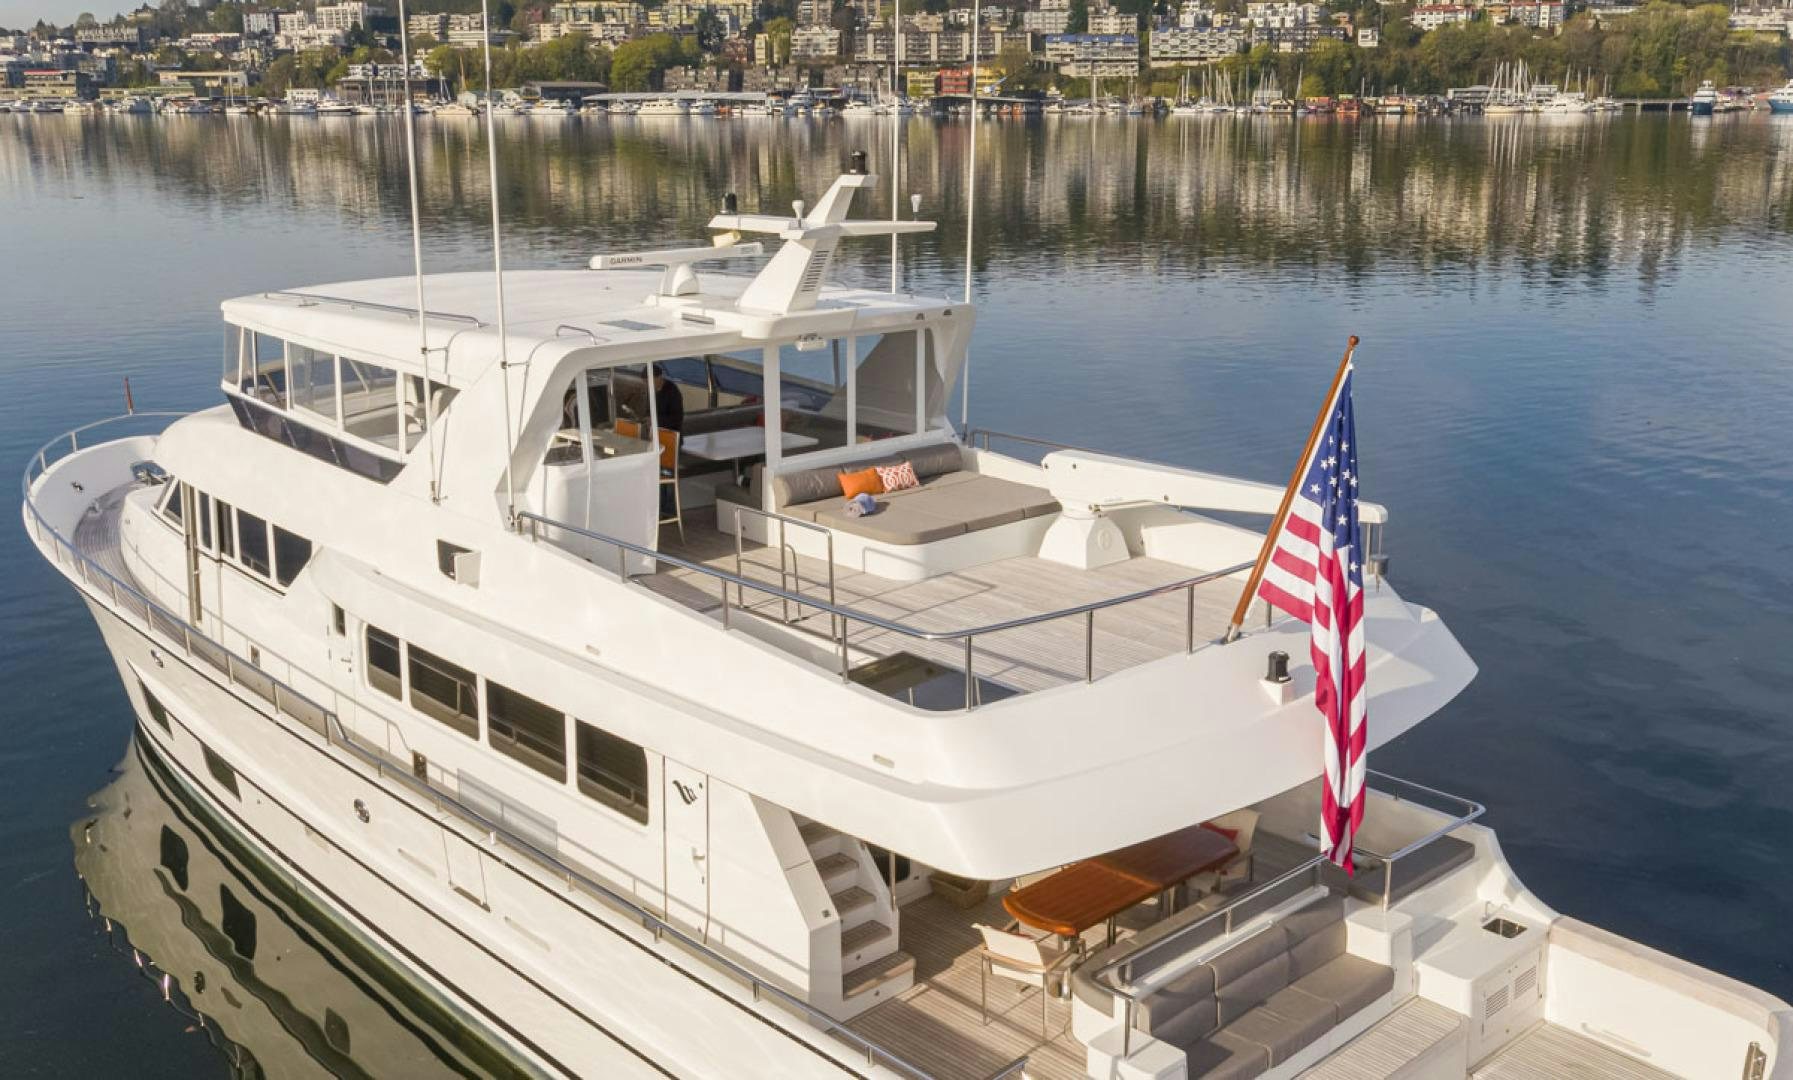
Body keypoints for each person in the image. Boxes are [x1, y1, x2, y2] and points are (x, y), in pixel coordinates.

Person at [651, 364, 682, 521]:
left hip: (671, 442)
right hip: (658, 441)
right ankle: (661, 508)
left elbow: (676, 418)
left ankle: (670, 509)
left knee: (668, 476)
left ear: (658, 378)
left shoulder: (672, 392)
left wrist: (655, 420)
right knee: (659, 475)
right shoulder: (653, 392)